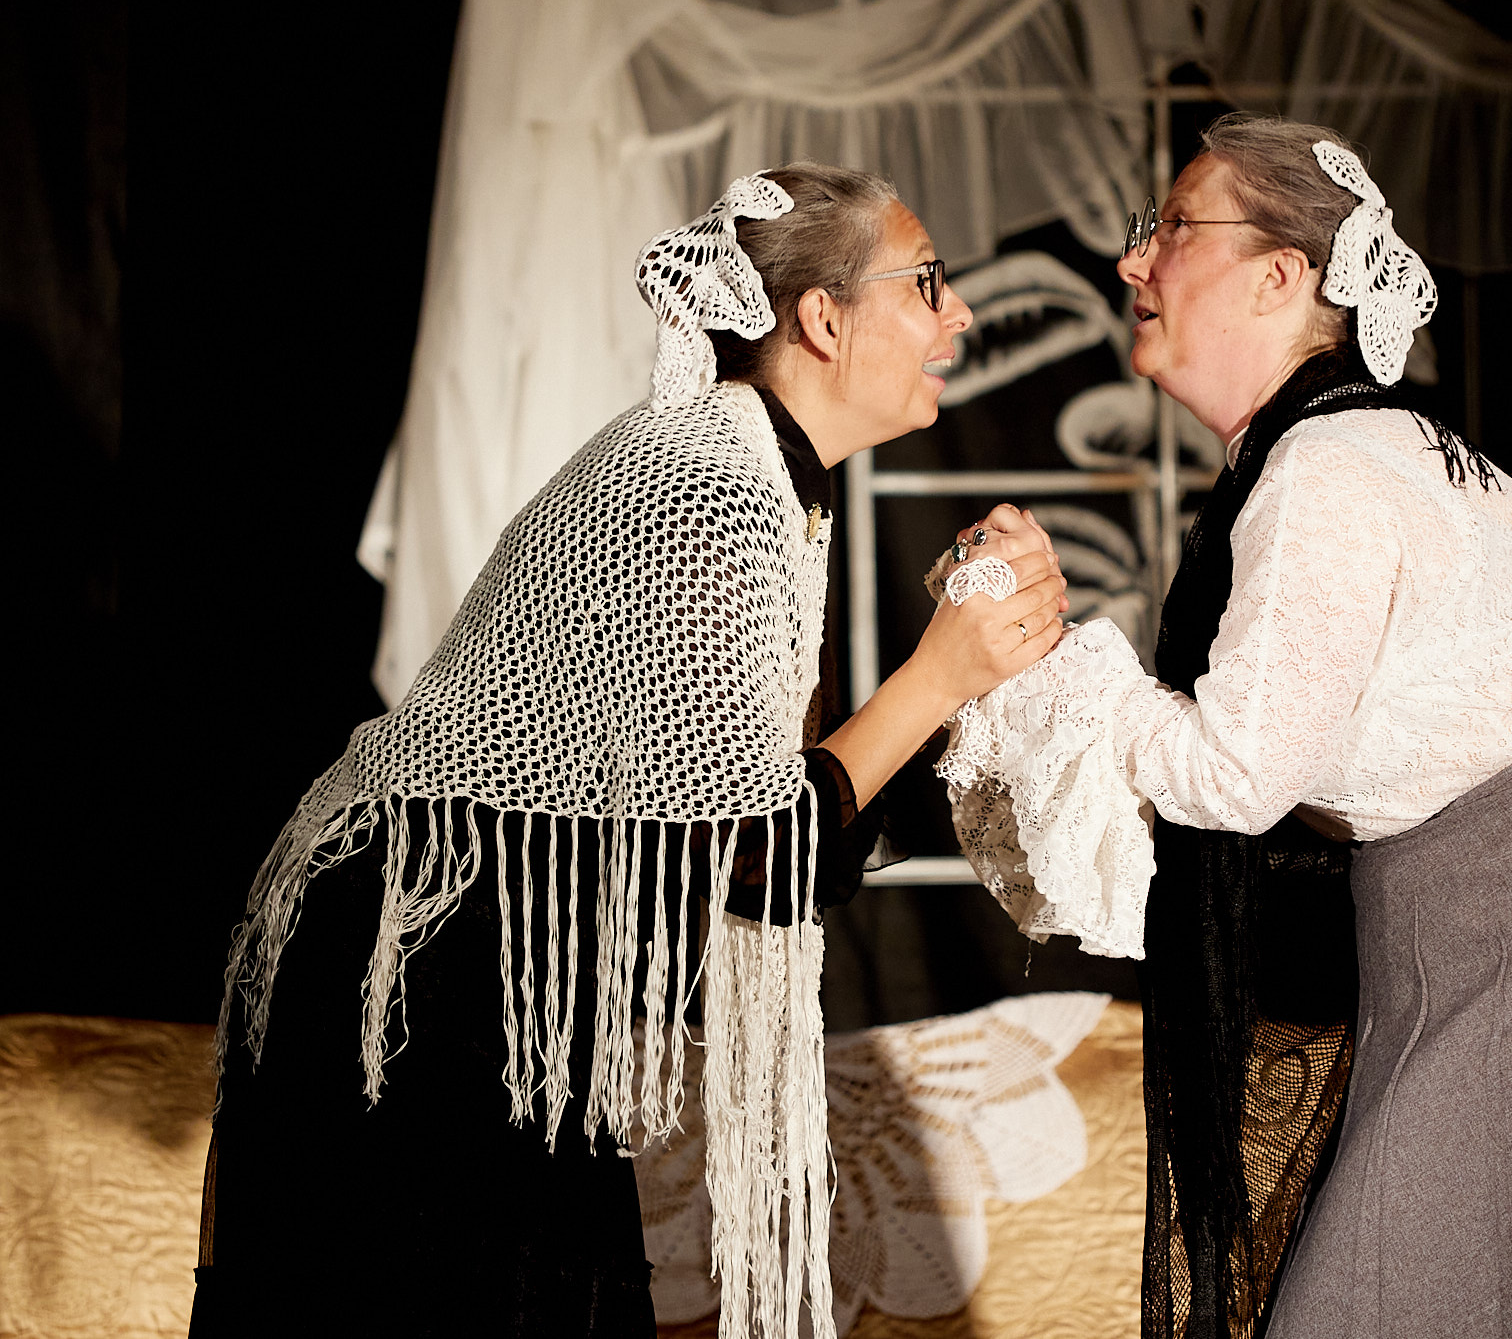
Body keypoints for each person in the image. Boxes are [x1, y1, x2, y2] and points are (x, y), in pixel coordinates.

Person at [193, 163, 1066, 1339]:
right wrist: (937, 673)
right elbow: (756, 854)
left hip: (473, 984)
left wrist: (963, 688)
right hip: (419, 991)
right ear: (822, 318)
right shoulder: (708, 486)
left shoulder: (755, 476)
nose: (956, 312)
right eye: (925, 281)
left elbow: (762, 822)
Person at [944, 114, 1512, 1338]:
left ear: (1278, 275)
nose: (1131, 261)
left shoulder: (1329, 469)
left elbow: (1232, 775)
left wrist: (1057, 660)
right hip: (1501, 918)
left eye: (1170, 228)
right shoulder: (1339, 451)